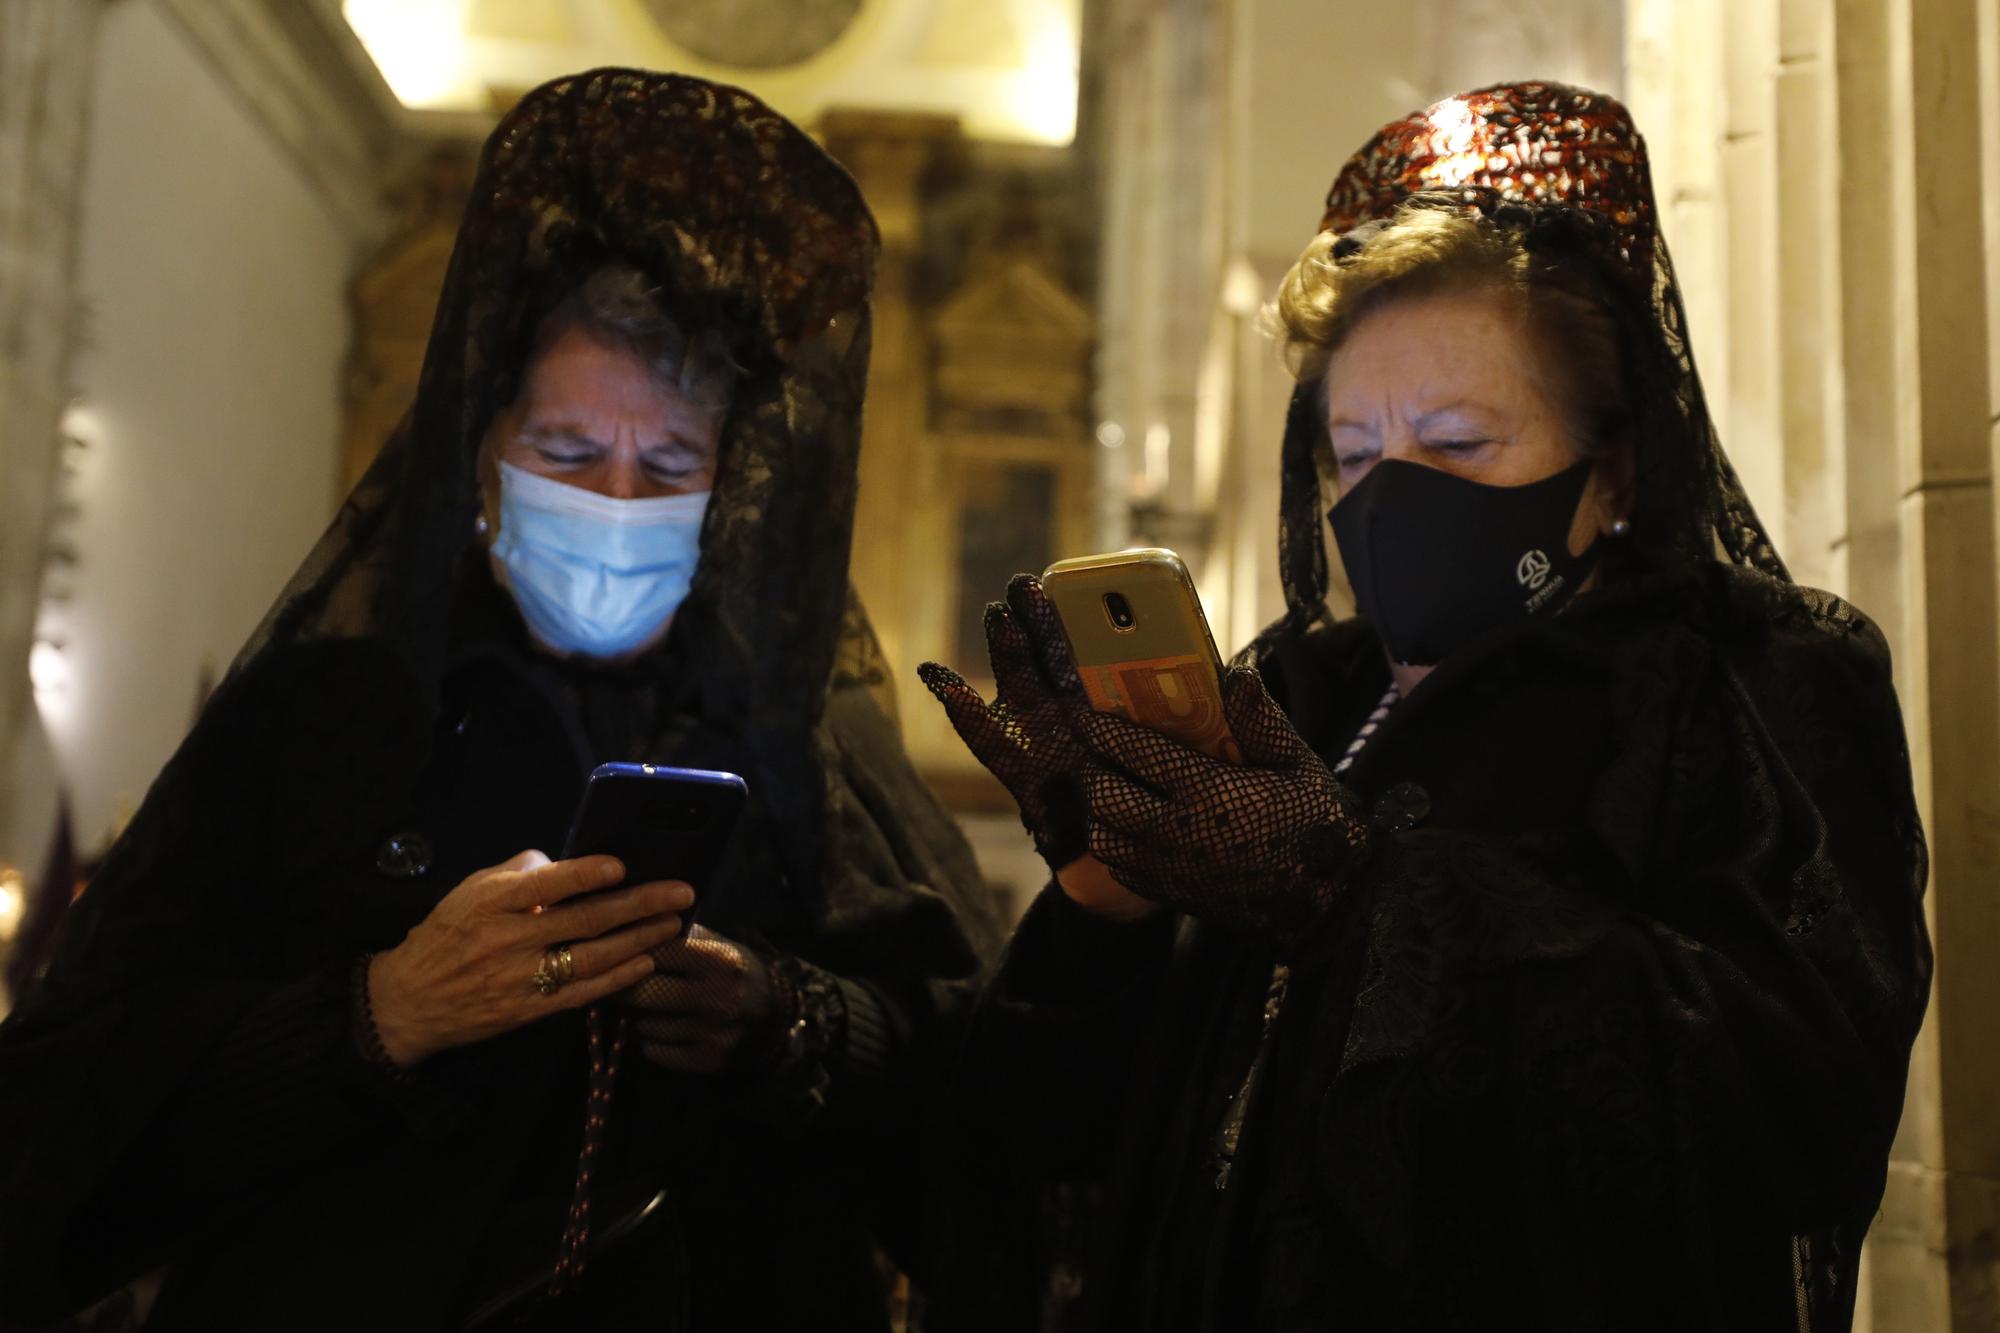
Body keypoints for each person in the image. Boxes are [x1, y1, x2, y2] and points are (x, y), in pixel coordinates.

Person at [921, 83, 1931, 1331]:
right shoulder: (1294, 690)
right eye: (1355, 452)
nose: (1391, 496)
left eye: (1456, 445)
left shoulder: (1745, 678)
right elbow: (1046, 1129)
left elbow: (1792, 1112)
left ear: (1609, 468)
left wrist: (1356, 892)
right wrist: (1105, 907)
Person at [0, 69, 997, 1332]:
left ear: (731, 489)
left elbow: (971, 1092)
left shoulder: (801, 744)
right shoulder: (323, 720)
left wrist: (780, 1019)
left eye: (669, 464)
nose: (618, 504)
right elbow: (70, 1120)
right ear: (483, 459)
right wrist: (379, 1012)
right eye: (569, 455)